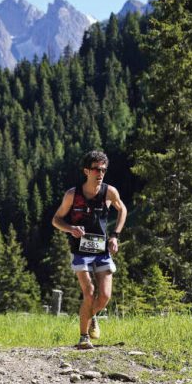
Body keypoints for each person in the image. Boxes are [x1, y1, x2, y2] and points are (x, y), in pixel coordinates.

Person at [52, 150, 127, 349]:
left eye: (103, 169)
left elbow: (122, 209)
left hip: (102, 251)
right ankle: (84, 337)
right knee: (89, 291)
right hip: (81, 252)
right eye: (96, 169)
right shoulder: (72, 195)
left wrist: (115, 235)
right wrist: (70, 229)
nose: (100, 173)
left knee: (104, 296)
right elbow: (56, 220)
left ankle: (92, 316)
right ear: (87, 171)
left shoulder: (109, 192)